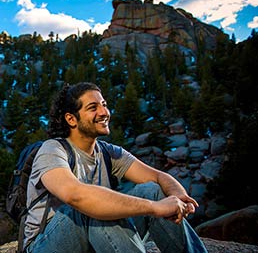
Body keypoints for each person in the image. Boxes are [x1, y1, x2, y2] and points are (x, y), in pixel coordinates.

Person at [24, 82, 208, 253]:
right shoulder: (52, 149)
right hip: (46, 244)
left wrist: (178, 196)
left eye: (104, 104)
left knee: (151, 190)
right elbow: (75, 195)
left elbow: (158, 177)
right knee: (93, 206)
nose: (104, 112)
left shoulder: (108, 152)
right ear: (71, 119)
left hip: (91, 238)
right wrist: (154, 207)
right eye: (93, 108)